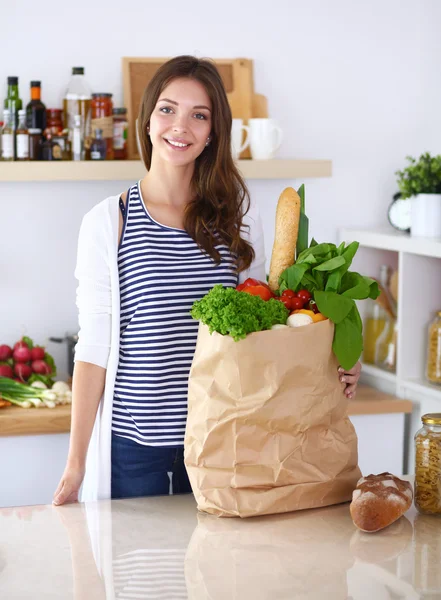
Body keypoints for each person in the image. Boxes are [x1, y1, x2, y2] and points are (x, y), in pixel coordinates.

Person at [53, 55, 361, 506]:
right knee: (139, 576)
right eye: (167, 109)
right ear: (147, 119)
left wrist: (336, 357)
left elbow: (272, 328)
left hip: (225, 439)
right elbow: (95, 346)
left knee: (217, 574)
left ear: (213, 132)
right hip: (136, 448)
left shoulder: (238, 218)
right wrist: (76, 464)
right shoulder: (109, 221)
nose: (181, 126)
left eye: (199, 115)